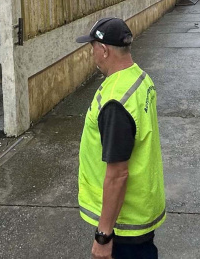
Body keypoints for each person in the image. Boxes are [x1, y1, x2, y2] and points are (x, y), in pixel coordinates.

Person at [76, 18, 166, 259]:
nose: (92, 54)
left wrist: (103, 236)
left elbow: (118, 174)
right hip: (141, 209)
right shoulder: (140, 78)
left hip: (124, 224)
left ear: (104, 50)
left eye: (92, 48)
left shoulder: (115, 101)